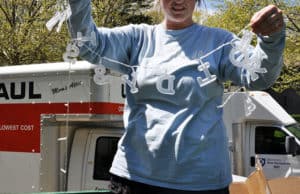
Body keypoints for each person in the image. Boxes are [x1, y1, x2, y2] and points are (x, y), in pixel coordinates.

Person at [68, 0, 285, 193]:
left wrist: (271, 39)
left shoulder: (219, 41)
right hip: (135, 178)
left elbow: (258, 77)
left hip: (203, 184)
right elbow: (88, 45)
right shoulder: (137, 38)